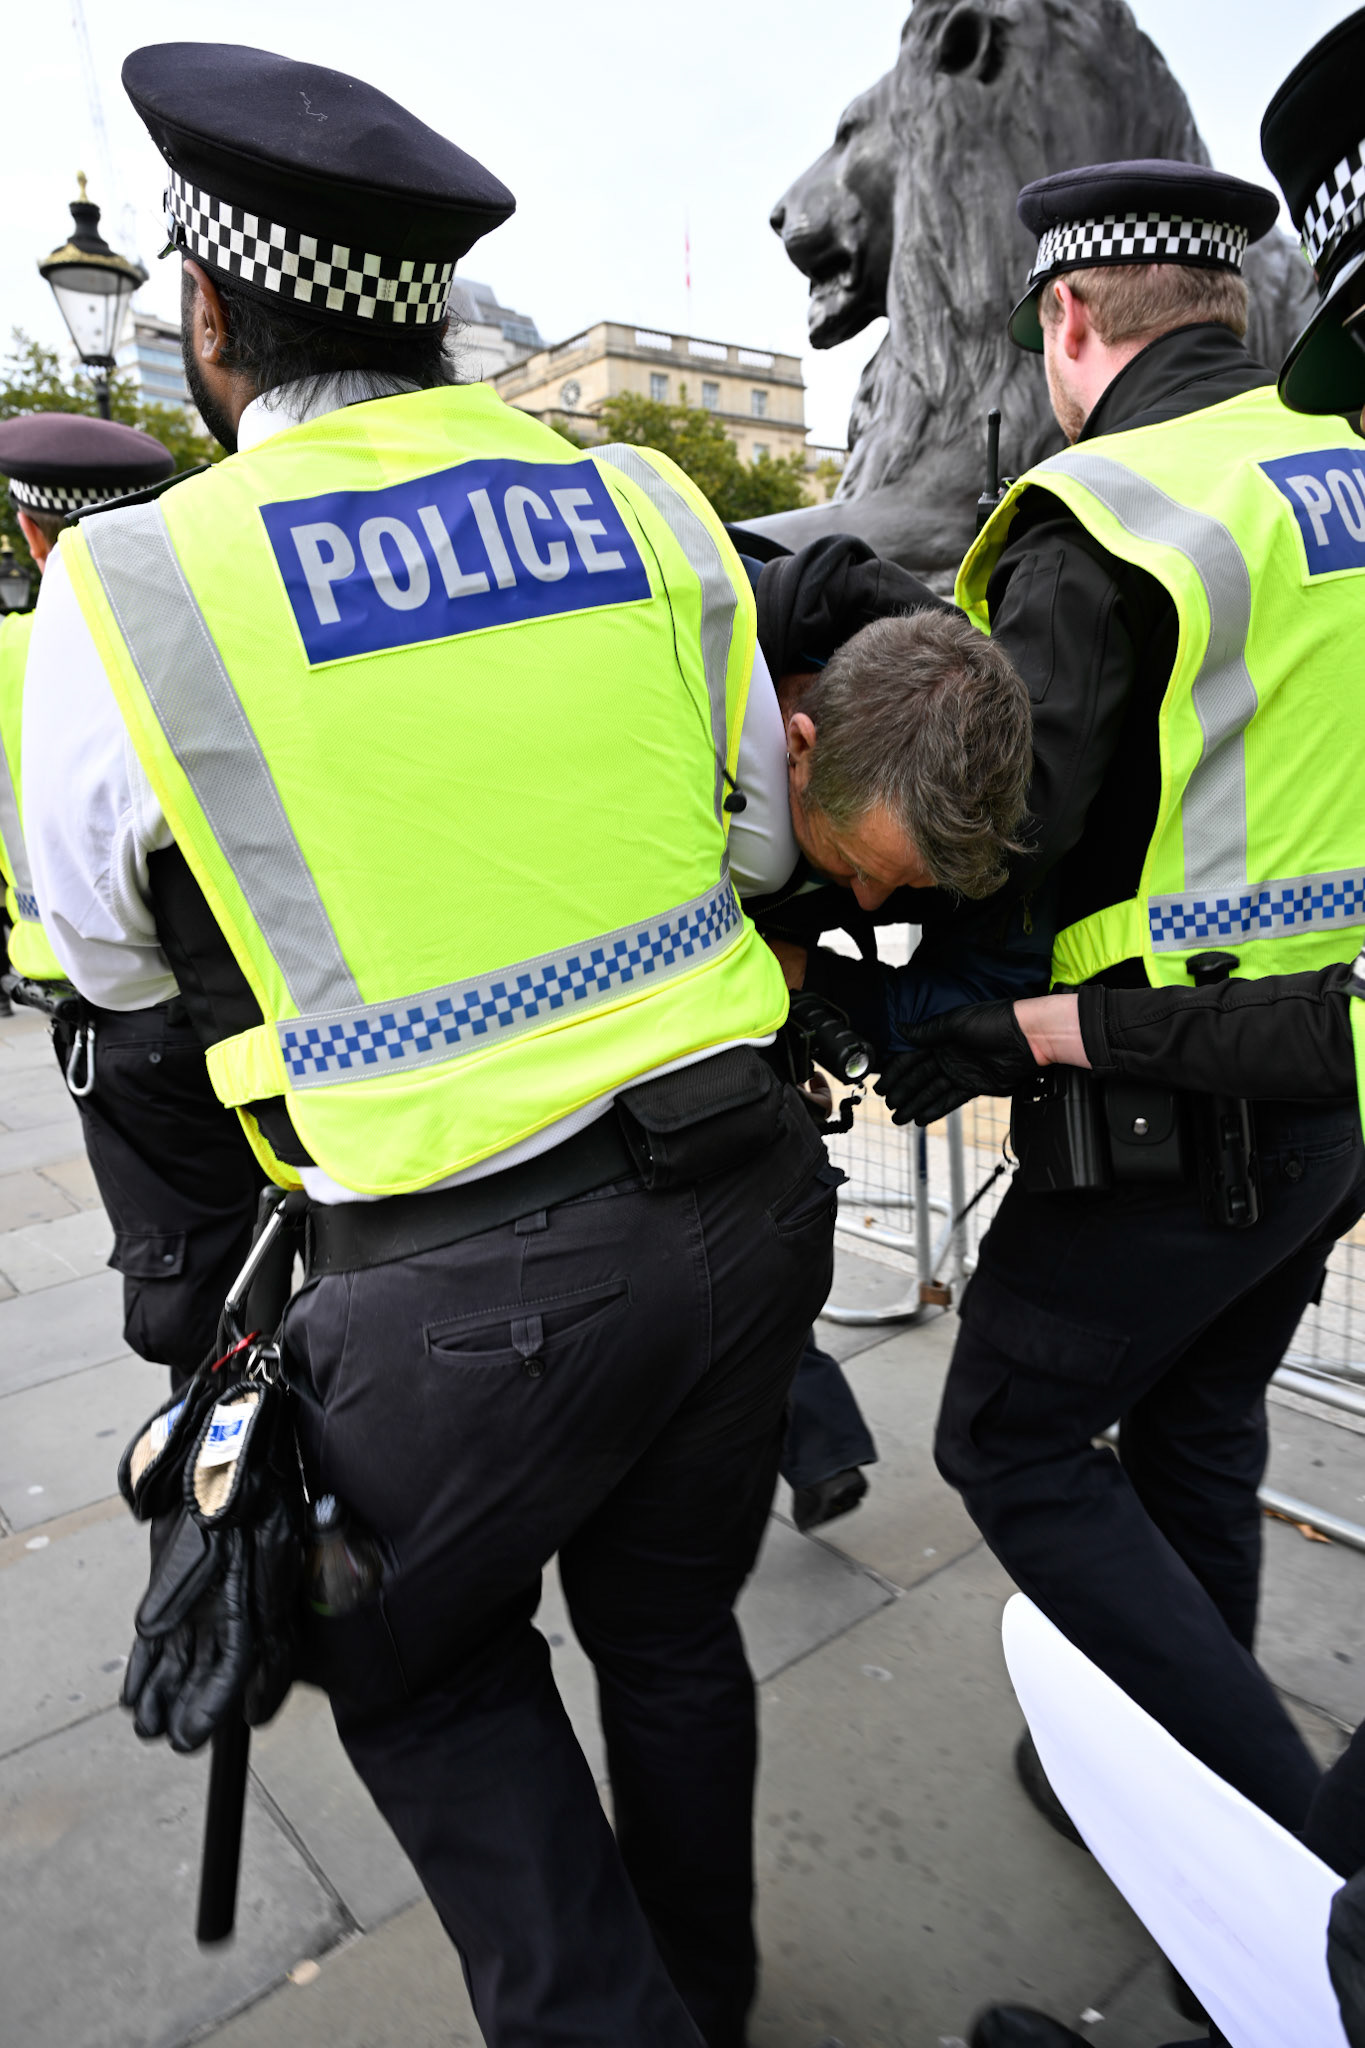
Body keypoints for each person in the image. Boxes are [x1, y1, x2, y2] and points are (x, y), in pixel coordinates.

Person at [20, 44, 1036, 2048]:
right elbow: (754, 833)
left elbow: (109, 975)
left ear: (207, 315)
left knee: (419, 1666)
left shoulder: (138, 582)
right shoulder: (649, 505)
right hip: (747, 1196)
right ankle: (709, 1991)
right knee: (669, 1642)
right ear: (431, 310)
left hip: (454, 1285)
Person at [870, 153, 1365, 1851]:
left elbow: (1006, 834)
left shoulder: (1105, 515)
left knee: (1008, 1437)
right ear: (1227, 305)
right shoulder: (1345, 468)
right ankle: (1160, 1781)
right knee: (1200, 1427)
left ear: (1068, 317)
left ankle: (1288, 1849)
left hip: (1171, 1100)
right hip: (1332, 1086)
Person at [735, 532, 1047, 1530]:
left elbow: (987, 986)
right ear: (797, 742)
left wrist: (819, 978)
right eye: (856, 860)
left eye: (909, 887)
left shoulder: (977, 767)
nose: (869, 902)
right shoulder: (673, 665)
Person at [0, 411, 267, 1374]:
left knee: (192, 1280)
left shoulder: (16, 655)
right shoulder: (206, 621)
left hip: (121, 1014)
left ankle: (227, 1482)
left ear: (33, 533)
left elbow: (97, 936)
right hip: (254, 979)